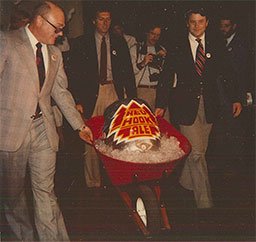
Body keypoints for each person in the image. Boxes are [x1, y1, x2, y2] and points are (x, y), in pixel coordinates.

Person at [0, 1, 93, 241]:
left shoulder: (55, 53)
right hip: (10, 132)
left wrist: (79, 125)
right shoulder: (7, 42)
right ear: (39, 21)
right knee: (13, 196)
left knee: (46, 191)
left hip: (43, 128)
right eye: (58, 27)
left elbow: (60, 92)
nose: (61, 33)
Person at [155, 8, 242, 209]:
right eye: (193, 22)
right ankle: (204, 203)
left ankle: (185, 183)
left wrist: (236, 98)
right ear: (187, 23)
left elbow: (227, 72)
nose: (196, 26)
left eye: (200, 22)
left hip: (210, 105)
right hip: (185, 106)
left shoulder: (216, 44)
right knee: (196, 154)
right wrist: (161, 104)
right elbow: (167, 76)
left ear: (207, 22)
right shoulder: (177, 46)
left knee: (200, 150)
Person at [69, 7, 136, 188]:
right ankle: (93, 183)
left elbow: (128, 72)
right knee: (91, 139)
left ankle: (117, 179)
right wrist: (77, 101)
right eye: (101, 19)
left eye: (108, 19)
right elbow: (74, 74)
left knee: (116, 136)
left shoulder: (119, 41)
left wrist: (132, 100)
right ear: (94, 21)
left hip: (114, 91)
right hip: (92, 94)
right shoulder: (82, 42)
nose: (105, 23)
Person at [132, 23, 168, 119]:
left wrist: (166, 59)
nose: (155, 37)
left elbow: (167, 74)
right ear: (146, 33)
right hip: (142, 91)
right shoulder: (136, 48)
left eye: (158, 35)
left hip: (158, 91)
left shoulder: (161, 49)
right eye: (152, 34)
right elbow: (129, 72)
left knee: (162, 123)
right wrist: (143, 63)